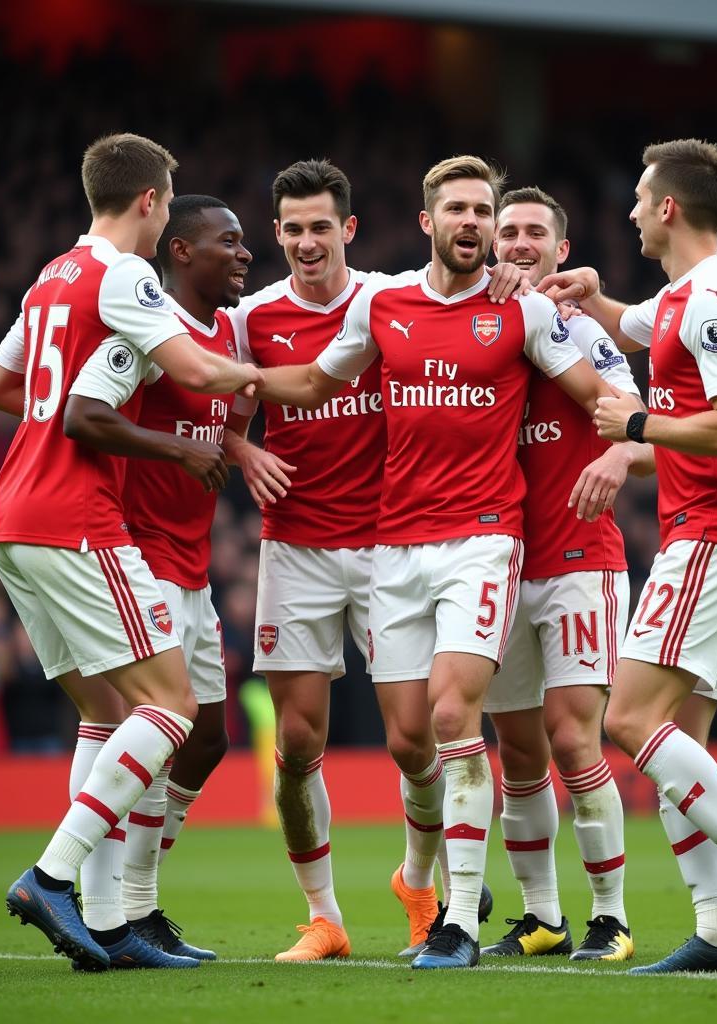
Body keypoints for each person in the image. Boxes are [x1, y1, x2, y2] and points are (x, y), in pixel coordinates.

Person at [254, 155, 614, 969]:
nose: (473, 224)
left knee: (456, 719)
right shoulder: (384, 304)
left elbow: (595, 390)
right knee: (410, 737)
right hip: (394, 546)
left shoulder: (520, 311)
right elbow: (315, 381)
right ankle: (427, 885)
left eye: (484, 212)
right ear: (428, 222)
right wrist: (230, 386)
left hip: (484, 539)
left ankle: (456, 918)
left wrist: (630, 448)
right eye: (458, 210)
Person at [0, 133, 263, 971]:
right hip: (74, 517)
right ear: (149, 202)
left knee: (107, 716)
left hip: (11, 516)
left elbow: (0, 387)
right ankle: (52, 875)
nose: (167, 213)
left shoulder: (50, 277)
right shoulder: (124, 276)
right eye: (169, 203)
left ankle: (107, 923)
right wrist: (282, 381)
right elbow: (199, 373)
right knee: (171, 708)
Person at [539, 138, 717, 974]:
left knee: (625, 720)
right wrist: (592, 300)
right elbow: (638, 324)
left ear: (668, 208)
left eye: (636, 196)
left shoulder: (715, 301)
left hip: (716, 531)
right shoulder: (686, 298)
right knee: (671, 742)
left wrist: (634, 427)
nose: (626, 210)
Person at [224, 160, 492, 962]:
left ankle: (422, 888)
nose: (307, 242)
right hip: (296, 547)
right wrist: (243, 450)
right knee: (298, 741)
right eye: (292, 229)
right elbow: (224, 409)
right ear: (276, 235)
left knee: (416, 742)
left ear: (348, 229)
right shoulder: (251, 318)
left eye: (320, 227)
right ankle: (325, 918)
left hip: (391, 544)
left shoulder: (390, 300)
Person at [60, 194, 266, 960]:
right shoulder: (145, 331)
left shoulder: (231, 340)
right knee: (148, 724)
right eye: (229, 241)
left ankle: (129, 894)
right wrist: (175, 450)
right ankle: (114, 904)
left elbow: (226, 431)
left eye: (247, 242)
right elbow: (85, 413)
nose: (245, 253)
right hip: (135, 557)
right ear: (181, 250)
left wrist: (241, 447)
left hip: (193, 566)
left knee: (207, 736)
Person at [480, 187, 648, 962]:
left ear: (559, 249)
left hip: (580, 558)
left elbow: (642, 425)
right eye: (506, 229)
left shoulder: (580, 329)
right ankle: (543, 916)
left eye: (534, 232)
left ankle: (611, 918)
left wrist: (617, 451)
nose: (517, 241)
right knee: (516, 750)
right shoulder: (474, 330)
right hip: (497, 565)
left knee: (574, 738)